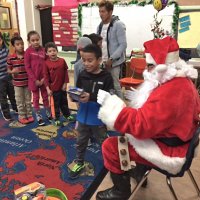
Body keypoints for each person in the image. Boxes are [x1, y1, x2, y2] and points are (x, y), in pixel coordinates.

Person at [96, 36, 200, 200]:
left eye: (150, 66)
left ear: (163, 65)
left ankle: (120, 192)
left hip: (168, 151)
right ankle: (139, 171)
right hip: (179, 141)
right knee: (127, 136)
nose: (147, 71)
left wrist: (113, 107)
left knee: (110, 145)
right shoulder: (183, 82)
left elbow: (140, 125)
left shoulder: (170, 91)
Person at [68, 44, 114, 179]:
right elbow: (79, 91)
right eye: (84, 60)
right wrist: (74, 96)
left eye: (90, 60)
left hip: (98, 118)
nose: (86, 63)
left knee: (103, 142)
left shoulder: (106, 77)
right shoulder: (82, 75)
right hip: (82, 117)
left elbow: (110, 97)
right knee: (80, 141)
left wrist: (91, 97)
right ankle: (79, 161)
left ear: (99, 60)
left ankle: (111, 162)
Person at [97, 0, 127, 99]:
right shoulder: (100, 26)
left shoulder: (118, 25)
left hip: (114, 62)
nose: (101, 14)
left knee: (115, 85)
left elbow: (123, 45)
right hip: (102, 61)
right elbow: (98, 43)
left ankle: (123, 110)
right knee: (103, 85)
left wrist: (111, 59)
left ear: (110, 12)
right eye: (100, 11)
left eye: (103, 11)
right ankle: (108, 107)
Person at [43, 42, 74, 126]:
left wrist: (65, 84)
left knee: (64, 102)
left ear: (57, 51)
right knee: (55, 105)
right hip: (53, 89)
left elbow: (65, 73)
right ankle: (56, 118)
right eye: (50, 51)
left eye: (54, 50)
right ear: (46, 53)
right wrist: (48, 89)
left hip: (62, 87)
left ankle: (67, 115)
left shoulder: (62, 61)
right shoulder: (46, 63)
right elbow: (45, 77)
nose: (52, 52)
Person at [24, 30, 51, 126]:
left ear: (39, 39)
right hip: (33, 81)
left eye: (37, 40)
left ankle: (48, 113)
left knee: (45, 97)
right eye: (33, 40)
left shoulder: (44, 50)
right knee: (35, 98)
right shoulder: (28, 52)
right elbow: (27, 67)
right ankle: (39, 116)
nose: (35, 42)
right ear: (29, 41)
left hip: (44, 80)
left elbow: (47, 64)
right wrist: (35, 80)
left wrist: (44, 78)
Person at [7, 36, 34, 124]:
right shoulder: (11, 58)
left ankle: (29, 115)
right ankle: (22, 116)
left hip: (27, 83)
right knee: (19, 100)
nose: (21, 46)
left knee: (28, 100)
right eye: (18, 44)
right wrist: (12, 71)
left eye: (22, 44)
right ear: (13, 46)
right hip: (17, 84)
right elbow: (8, 70)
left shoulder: (28, 55)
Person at [0, 32, 17, 121]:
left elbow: (9, 61)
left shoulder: (5, 49)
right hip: (0, 79)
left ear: (2, 40)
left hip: (8, 75)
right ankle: (6, 113)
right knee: (3, 97)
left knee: (12, 93)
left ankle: (15, 107)